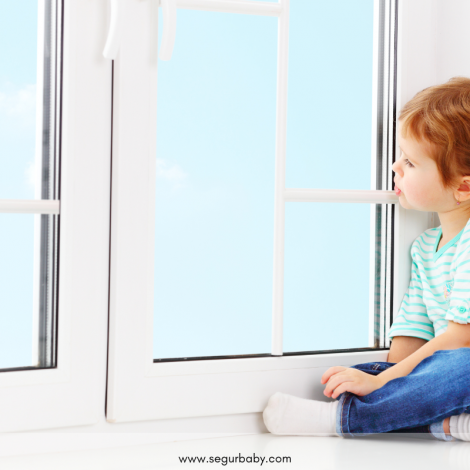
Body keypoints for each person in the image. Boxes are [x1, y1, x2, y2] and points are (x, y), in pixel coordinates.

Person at [263, 76, 470, 441]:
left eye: (410, 161)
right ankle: (444, 422)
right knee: (368, 372)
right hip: (445, 369)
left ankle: (341, 421)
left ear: (463, 186)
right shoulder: (425, 247)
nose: (395, 167)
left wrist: (382, 384)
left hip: (461, 362)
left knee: (461, 367)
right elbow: (413, 332)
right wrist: (379, 379)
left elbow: (458, 339)